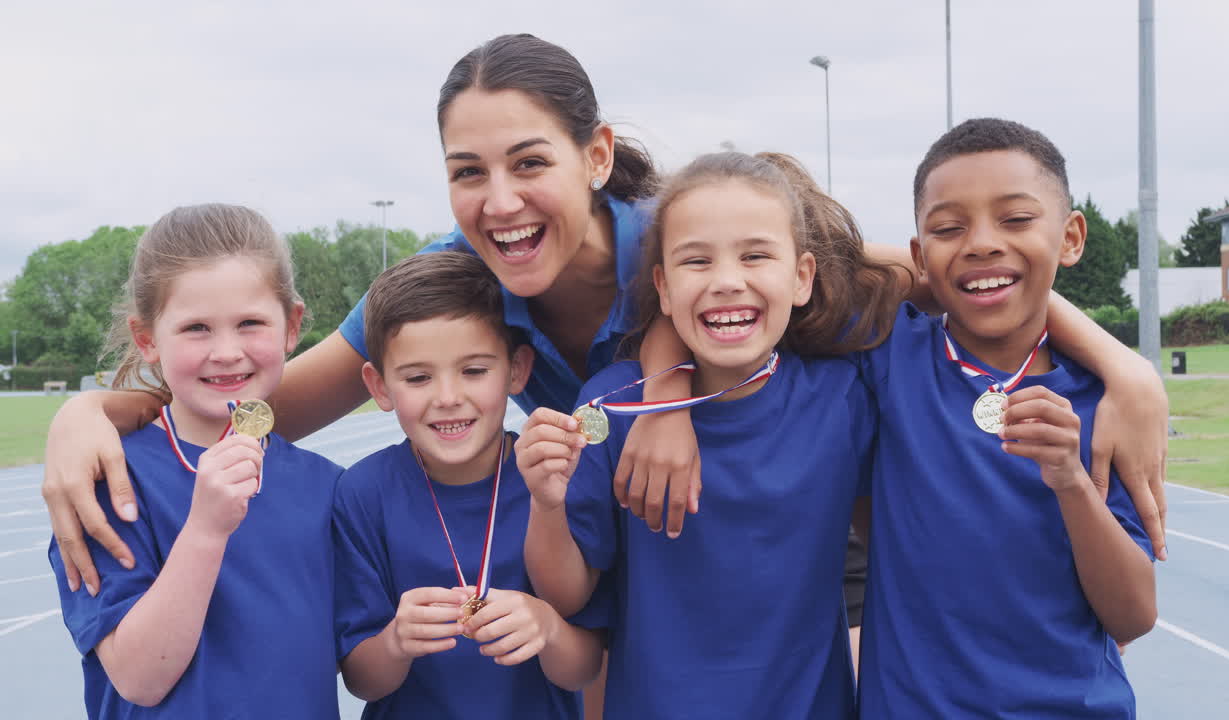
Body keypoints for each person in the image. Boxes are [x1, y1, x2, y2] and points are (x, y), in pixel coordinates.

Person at [41, 34, 1166, 650]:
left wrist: (1121, 366)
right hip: (637, 551)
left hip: (795, 518)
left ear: (593, 155)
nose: (498, 199)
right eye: (467, 172)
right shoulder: (455, 274)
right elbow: (260, 401)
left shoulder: (695, 240)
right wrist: (91, 411)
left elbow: (945, 269)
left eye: (527, 160)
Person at [519, 151, 896, 719]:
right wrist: (545, 503)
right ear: (664, 290)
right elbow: (567, 594)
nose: (726, 281)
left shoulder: (844, 397)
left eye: (756, 255)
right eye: (697, 261)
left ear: (802, 278)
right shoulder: (612, 406)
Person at [853, 118, 1157, 718]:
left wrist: (1071, 480)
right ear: (918, 256)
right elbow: (793, 248)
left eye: (1016, 220)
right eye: (947, 228)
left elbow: (1134, 616)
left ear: (1070, 238)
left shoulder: (1106, 403)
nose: (982, 243)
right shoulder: (888, 358)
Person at [47, 205, 342, 717]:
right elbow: (139, 677)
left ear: (291, 326)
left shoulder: (330, 488)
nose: (226, 351)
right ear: (147, 339)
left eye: (250, 323)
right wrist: (206, 528)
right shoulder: (107, 482)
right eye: (197, 328)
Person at [332, 251, 606, 719]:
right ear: (379, 387)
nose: (448, 398)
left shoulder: (558, 477)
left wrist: (547, 628)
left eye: (474, 371)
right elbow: (361, 680)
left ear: (517, 370)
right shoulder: (361, 494)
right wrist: (396, 641)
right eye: (418, 377)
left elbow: (585, 667)